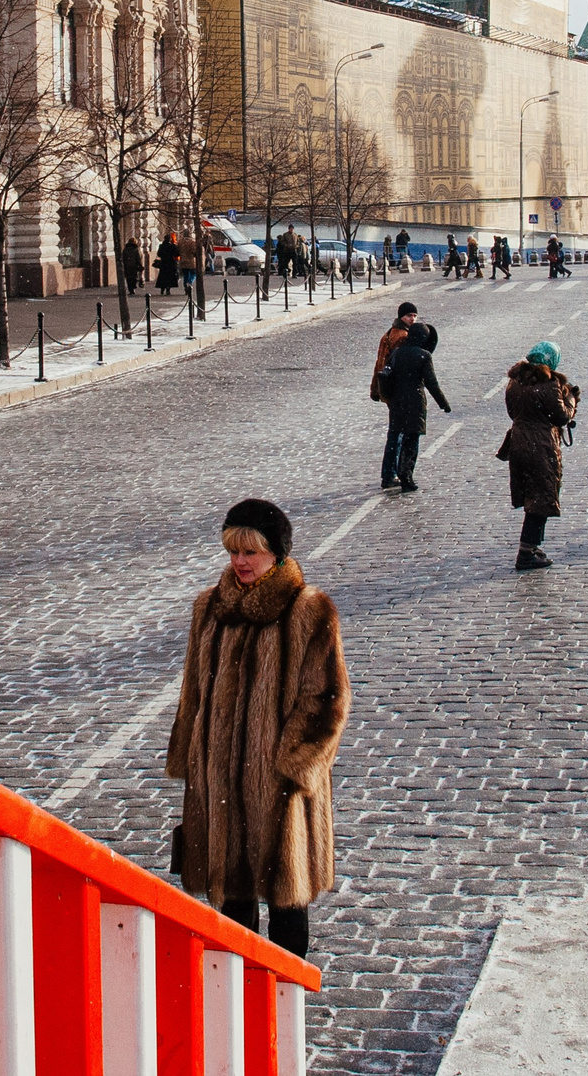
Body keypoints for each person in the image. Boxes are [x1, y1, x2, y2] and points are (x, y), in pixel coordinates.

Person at [167, 499, 350, 963]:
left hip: (279, 786)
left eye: (251, 552)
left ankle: (287, 998)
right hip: (217, 781)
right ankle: (239, 1002)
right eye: (233, 551)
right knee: (231, 903)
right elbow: (193, 692)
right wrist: (191, 757)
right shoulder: (209, 608)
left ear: (278, 553)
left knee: (287, 901)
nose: (240, 562)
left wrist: (292, 767)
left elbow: (326, 701)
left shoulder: (308, 611)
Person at [502, 341, 580, 570]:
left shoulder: (515, 382)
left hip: (519, 443)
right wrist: (572, 400)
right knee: (542, 496)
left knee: (532, 495)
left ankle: (533, 547)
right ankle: (527, 551)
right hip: (541, 445)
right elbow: (562, 416)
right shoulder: (549, 385)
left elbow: (512, 412)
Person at [381, 322, 449, 492]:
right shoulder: (424, 356)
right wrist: (444, 403)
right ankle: (406, 476)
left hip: (397, 401)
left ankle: (389, 473)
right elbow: (432, 383)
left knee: (395, 435)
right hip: (415, 402)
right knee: (411, 440)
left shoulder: (397, 353)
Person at [370, 300, 418, 408]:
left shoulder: (389, 333)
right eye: (409, 315)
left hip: (387, 384)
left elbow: (379, 363)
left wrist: (375, 388)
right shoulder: (404, 336)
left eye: (415, 316)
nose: (412, 319)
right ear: (401, 316)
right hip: (397, 387)